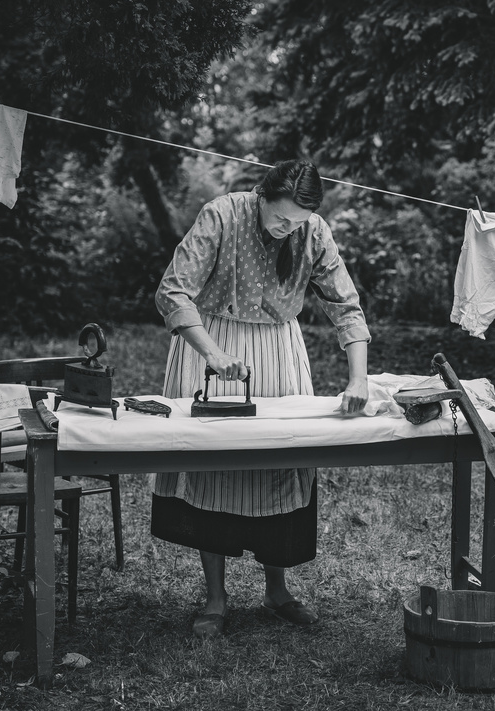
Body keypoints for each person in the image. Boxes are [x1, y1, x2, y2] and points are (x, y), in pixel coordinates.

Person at [151, 159, 370, 639]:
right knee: (215, 467)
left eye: (297, 221)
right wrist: (211, 353)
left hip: (277, 349)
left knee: (278, 463)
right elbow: (173, 291)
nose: (287, 227)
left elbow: (345, 305)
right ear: (262, 197)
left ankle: (278, 590)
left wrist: (359, 379)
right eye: (280, 217)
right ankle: (215, 596)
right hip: (211, 341)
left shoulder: (312, 230)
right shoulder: (223, 215)